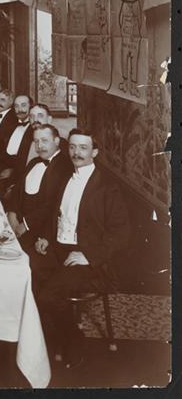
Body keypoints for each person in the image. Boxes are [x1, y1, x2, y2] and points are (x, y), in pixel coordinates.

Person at [31, 129, 130, 367]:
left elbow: (122, 234)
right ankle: (49, 336)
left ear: (94, 152)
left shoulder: (107, 187)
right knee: (26, 275)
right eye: (73, 147)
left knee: (48, 296)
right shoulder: (67, 177)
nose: (76, 153)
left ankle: (73, 339)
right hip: (59, 248)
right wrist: (46, 237)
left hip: (88, 259)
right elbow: (56, 215)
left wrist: (88, 255)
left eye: (83, 148)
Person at [5, 124, 72, 254]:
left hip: (41, 233)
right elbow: (17, 190)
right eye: (36, 141)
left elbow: (53, 204)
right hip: (17, 224)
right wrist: (12, 213)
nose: (39, 146)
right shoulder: (33, 162)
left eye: (44, 140)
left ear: (56, 141)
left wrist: (25, 225)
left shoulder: (64, 167)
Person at [0, 94, 34, 189]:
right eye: (16, 106)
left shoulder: (34, 130)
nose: (19, 109)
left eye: (23, 105)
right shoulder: (11, 125)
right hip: (4, 169)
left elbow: (29, 161)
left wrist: (12, 171)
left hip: (20, 178)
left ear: (30, 107)